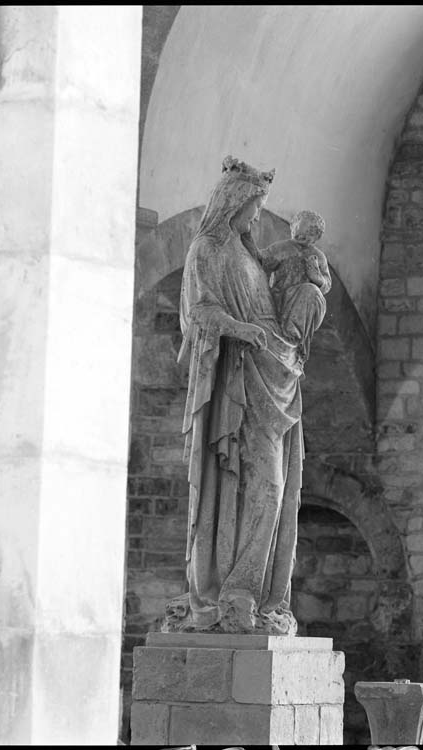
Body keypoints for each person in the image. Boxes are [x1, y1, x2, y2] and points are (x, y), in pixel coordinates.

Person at [163, 155, 306, 635]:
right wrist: (242, 329)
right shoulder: (207, 249)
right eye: (253, 206)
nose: (257, 217)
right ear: (233, 202)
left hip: (273, 376)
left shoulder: (249, 254)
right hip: (236, 382)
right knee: (256, 484)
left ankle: (256, 593)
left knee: (275, 486)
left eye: (261, 207)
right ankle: (231, 592)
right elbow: (200, 312)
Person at [259, 210, 331, 364]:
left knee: (311, 291)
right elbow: (261, 263)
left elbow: (326, 284)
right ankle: (287, 341)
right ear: (293, 228)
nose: (301, 235)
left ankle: (294, 339)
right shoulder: (281, 248)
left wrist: (317, 278)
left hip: (304, 305)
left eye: (309, 232)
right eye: (299, 229)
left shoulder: (318, 257)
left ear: (317, 236)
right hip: (281, 299)